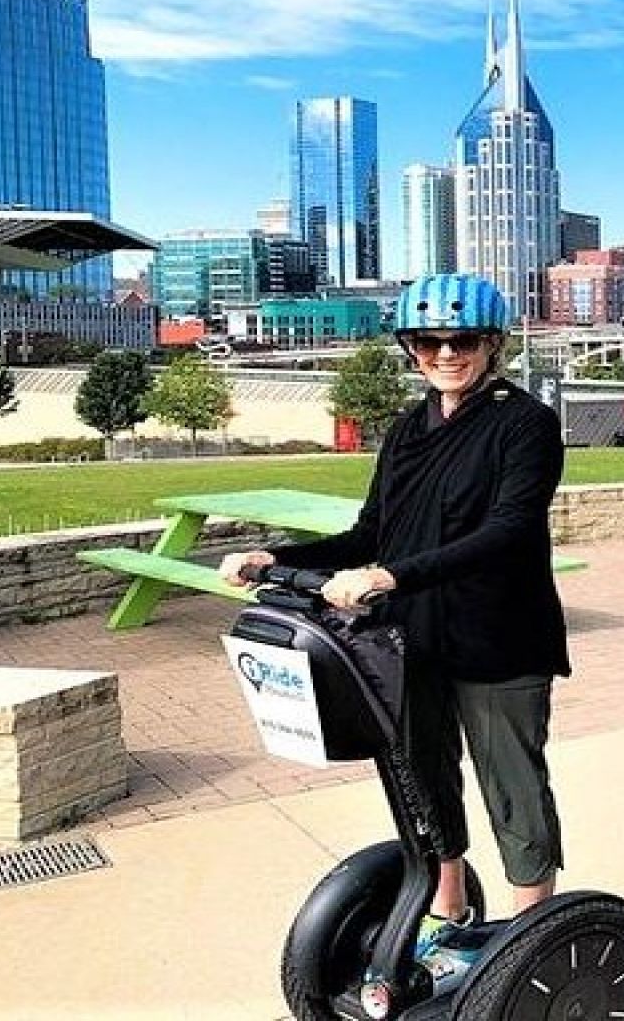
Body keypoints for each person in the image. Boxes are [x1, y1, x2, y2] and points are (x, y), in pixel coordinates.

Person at [220, 273, 570, 968]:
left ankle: (532, 940)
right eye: (429, 341)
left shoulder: (524, 424)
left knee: (512, 784)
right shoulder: (410, 428)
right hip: (414, 638)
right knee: (421, 775)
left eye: (461, 339)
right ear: (411, 347)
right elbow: (370, 530)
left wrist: (389, 576)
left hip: (500, 638)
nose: (446, 353)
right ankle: (450, 914)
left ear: (491, 344)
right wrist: (272, 556)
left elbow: (508, 531)